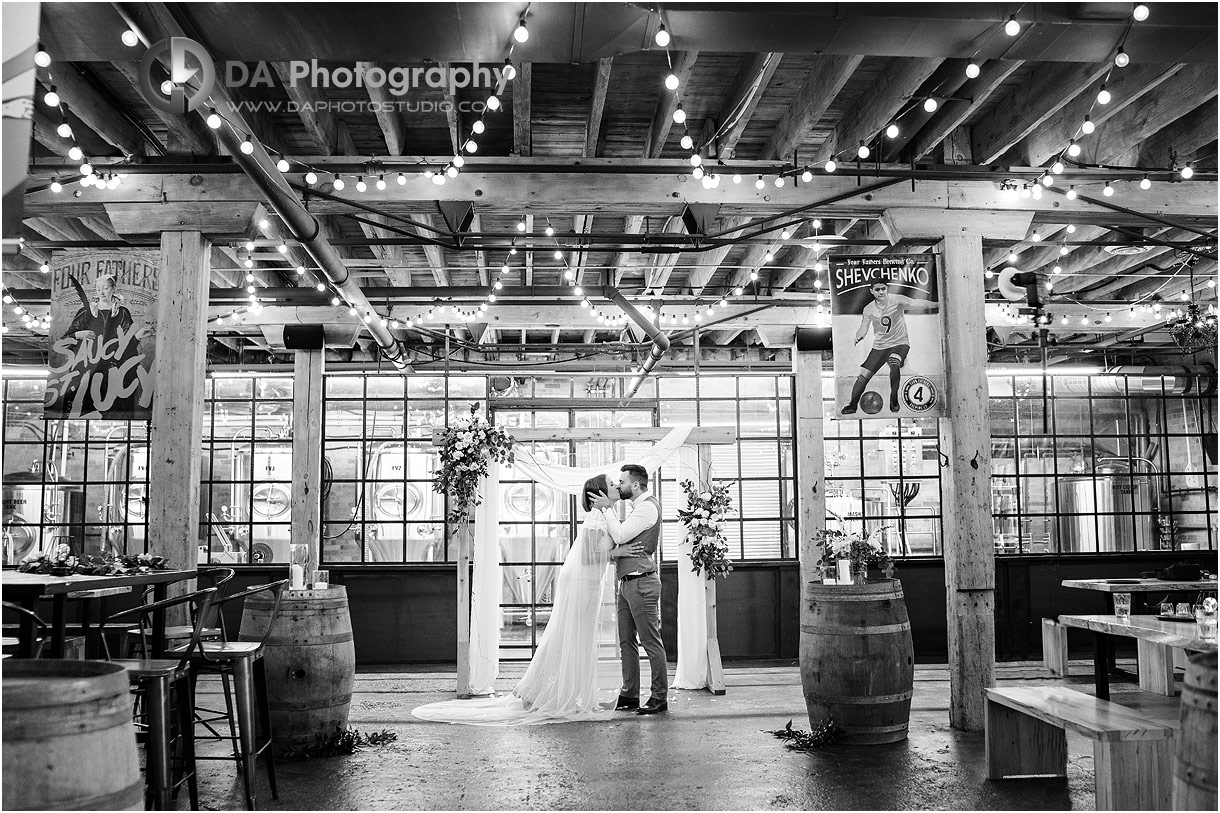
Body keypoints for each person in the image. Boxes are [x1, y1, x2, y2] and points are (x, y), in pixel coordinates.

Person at [411, 473, 624, 726]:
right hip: (582, 584)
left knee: (573, 638)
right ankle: (536, 692)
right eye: (612, 485)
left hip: (586, 583)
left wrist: (614, 551)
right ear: (598, 493)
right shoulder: (597, 518)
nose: (616, 487)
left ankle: (557, 693)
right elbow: (590, 557)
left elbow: (599, 553)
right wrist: (619, 552)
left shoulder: (600, 517)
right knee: (568, 638)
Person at [588, 463, 668, 715]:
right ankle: (630, 694)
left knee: (650, 641)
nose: (619, 485)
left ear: (635, 484)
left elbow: (621, 535)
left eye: (622, 482)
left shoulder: (646, 508)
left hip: (642, 582)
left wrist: (608, 509)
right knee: (626, 642)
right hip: (626, 583)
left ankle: (659, 697)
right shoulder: (637, 507)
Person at [841, 280, 936, 415]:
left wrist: (938, 303)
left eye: (883, 289)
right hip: (880, 346)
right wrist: (859, 335)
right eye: (878, 289)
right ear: (872, 291)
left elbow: (916, 303)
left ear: (887, 289)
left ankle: (893, 398)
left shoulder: (897, 300)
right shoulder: (869, 309)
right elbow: (864, 326)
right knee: (863, 375)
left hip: (900, 343)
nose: (881, 292)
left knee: (894, 361)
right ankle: (852, 405)